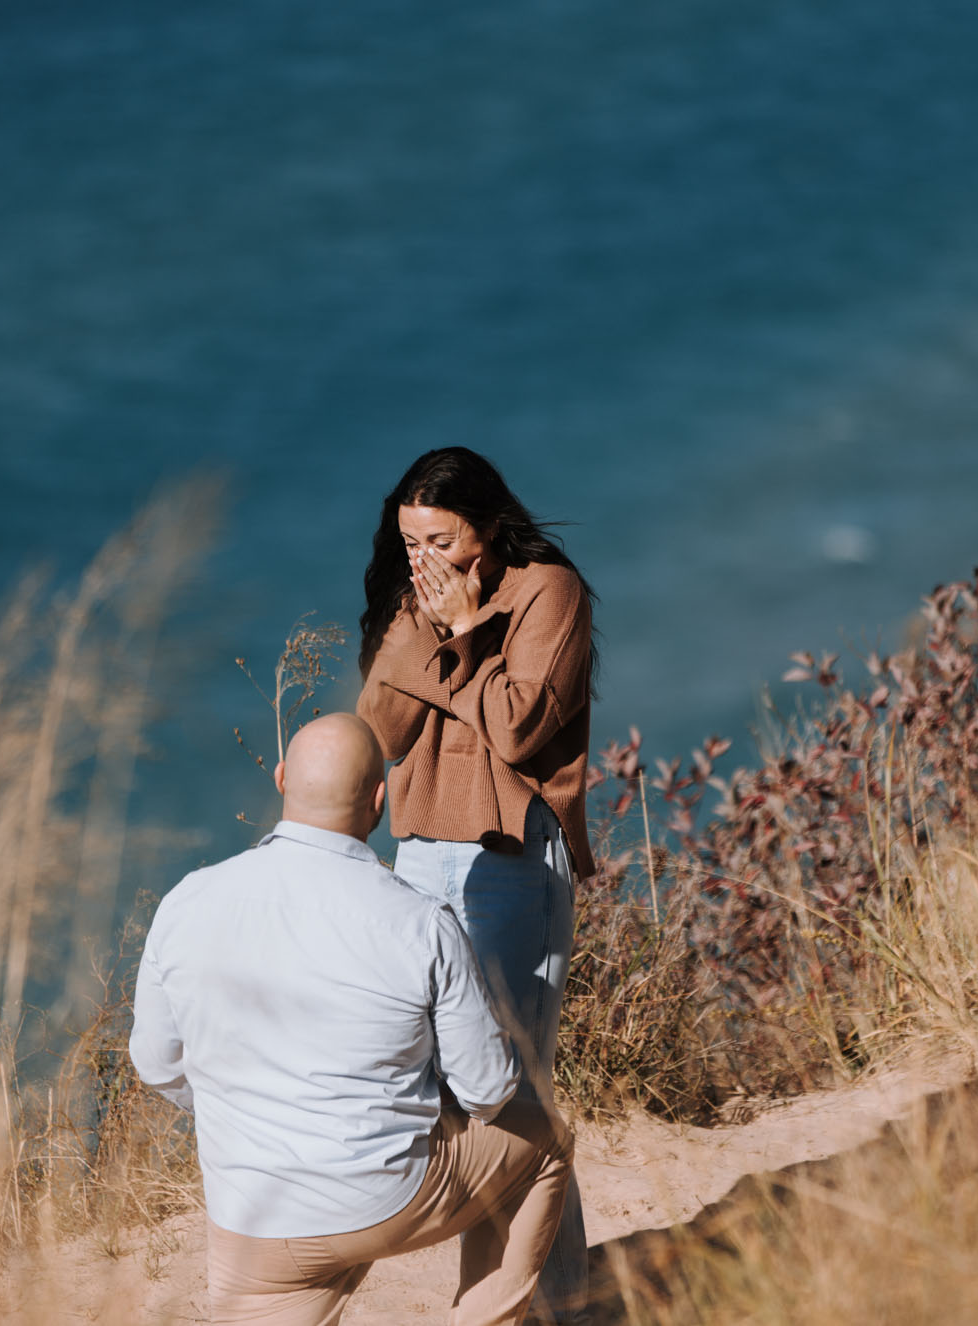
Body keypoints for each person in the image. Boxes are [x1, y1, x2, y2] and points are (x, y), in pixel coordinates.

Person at [129, 713, 573, 1326]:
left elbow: (156, 1064)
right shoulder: (421, 923)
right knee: (543, 1136)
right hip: (384, 1199)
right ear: (379, 801)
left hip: (250, 1219)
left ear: (281, 780)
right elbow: (489, 1091)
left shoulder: (187, 901)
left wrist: (254, 1110)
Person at [354, 447, 595, 1324]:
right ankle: (560, 1296)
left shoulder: (546, 593)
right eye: (411, 538)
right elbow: (381, 727)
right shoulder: (417, 599)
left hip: (510, 856)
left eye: (443, 540)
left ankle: (504, 1304)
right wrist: (427, 627)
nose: (426, 558)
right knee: (455, 1088)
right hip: (419, 851)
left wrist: (459, 642)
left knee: (502, 1091)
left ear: (488, 528)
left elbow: (520, 730)